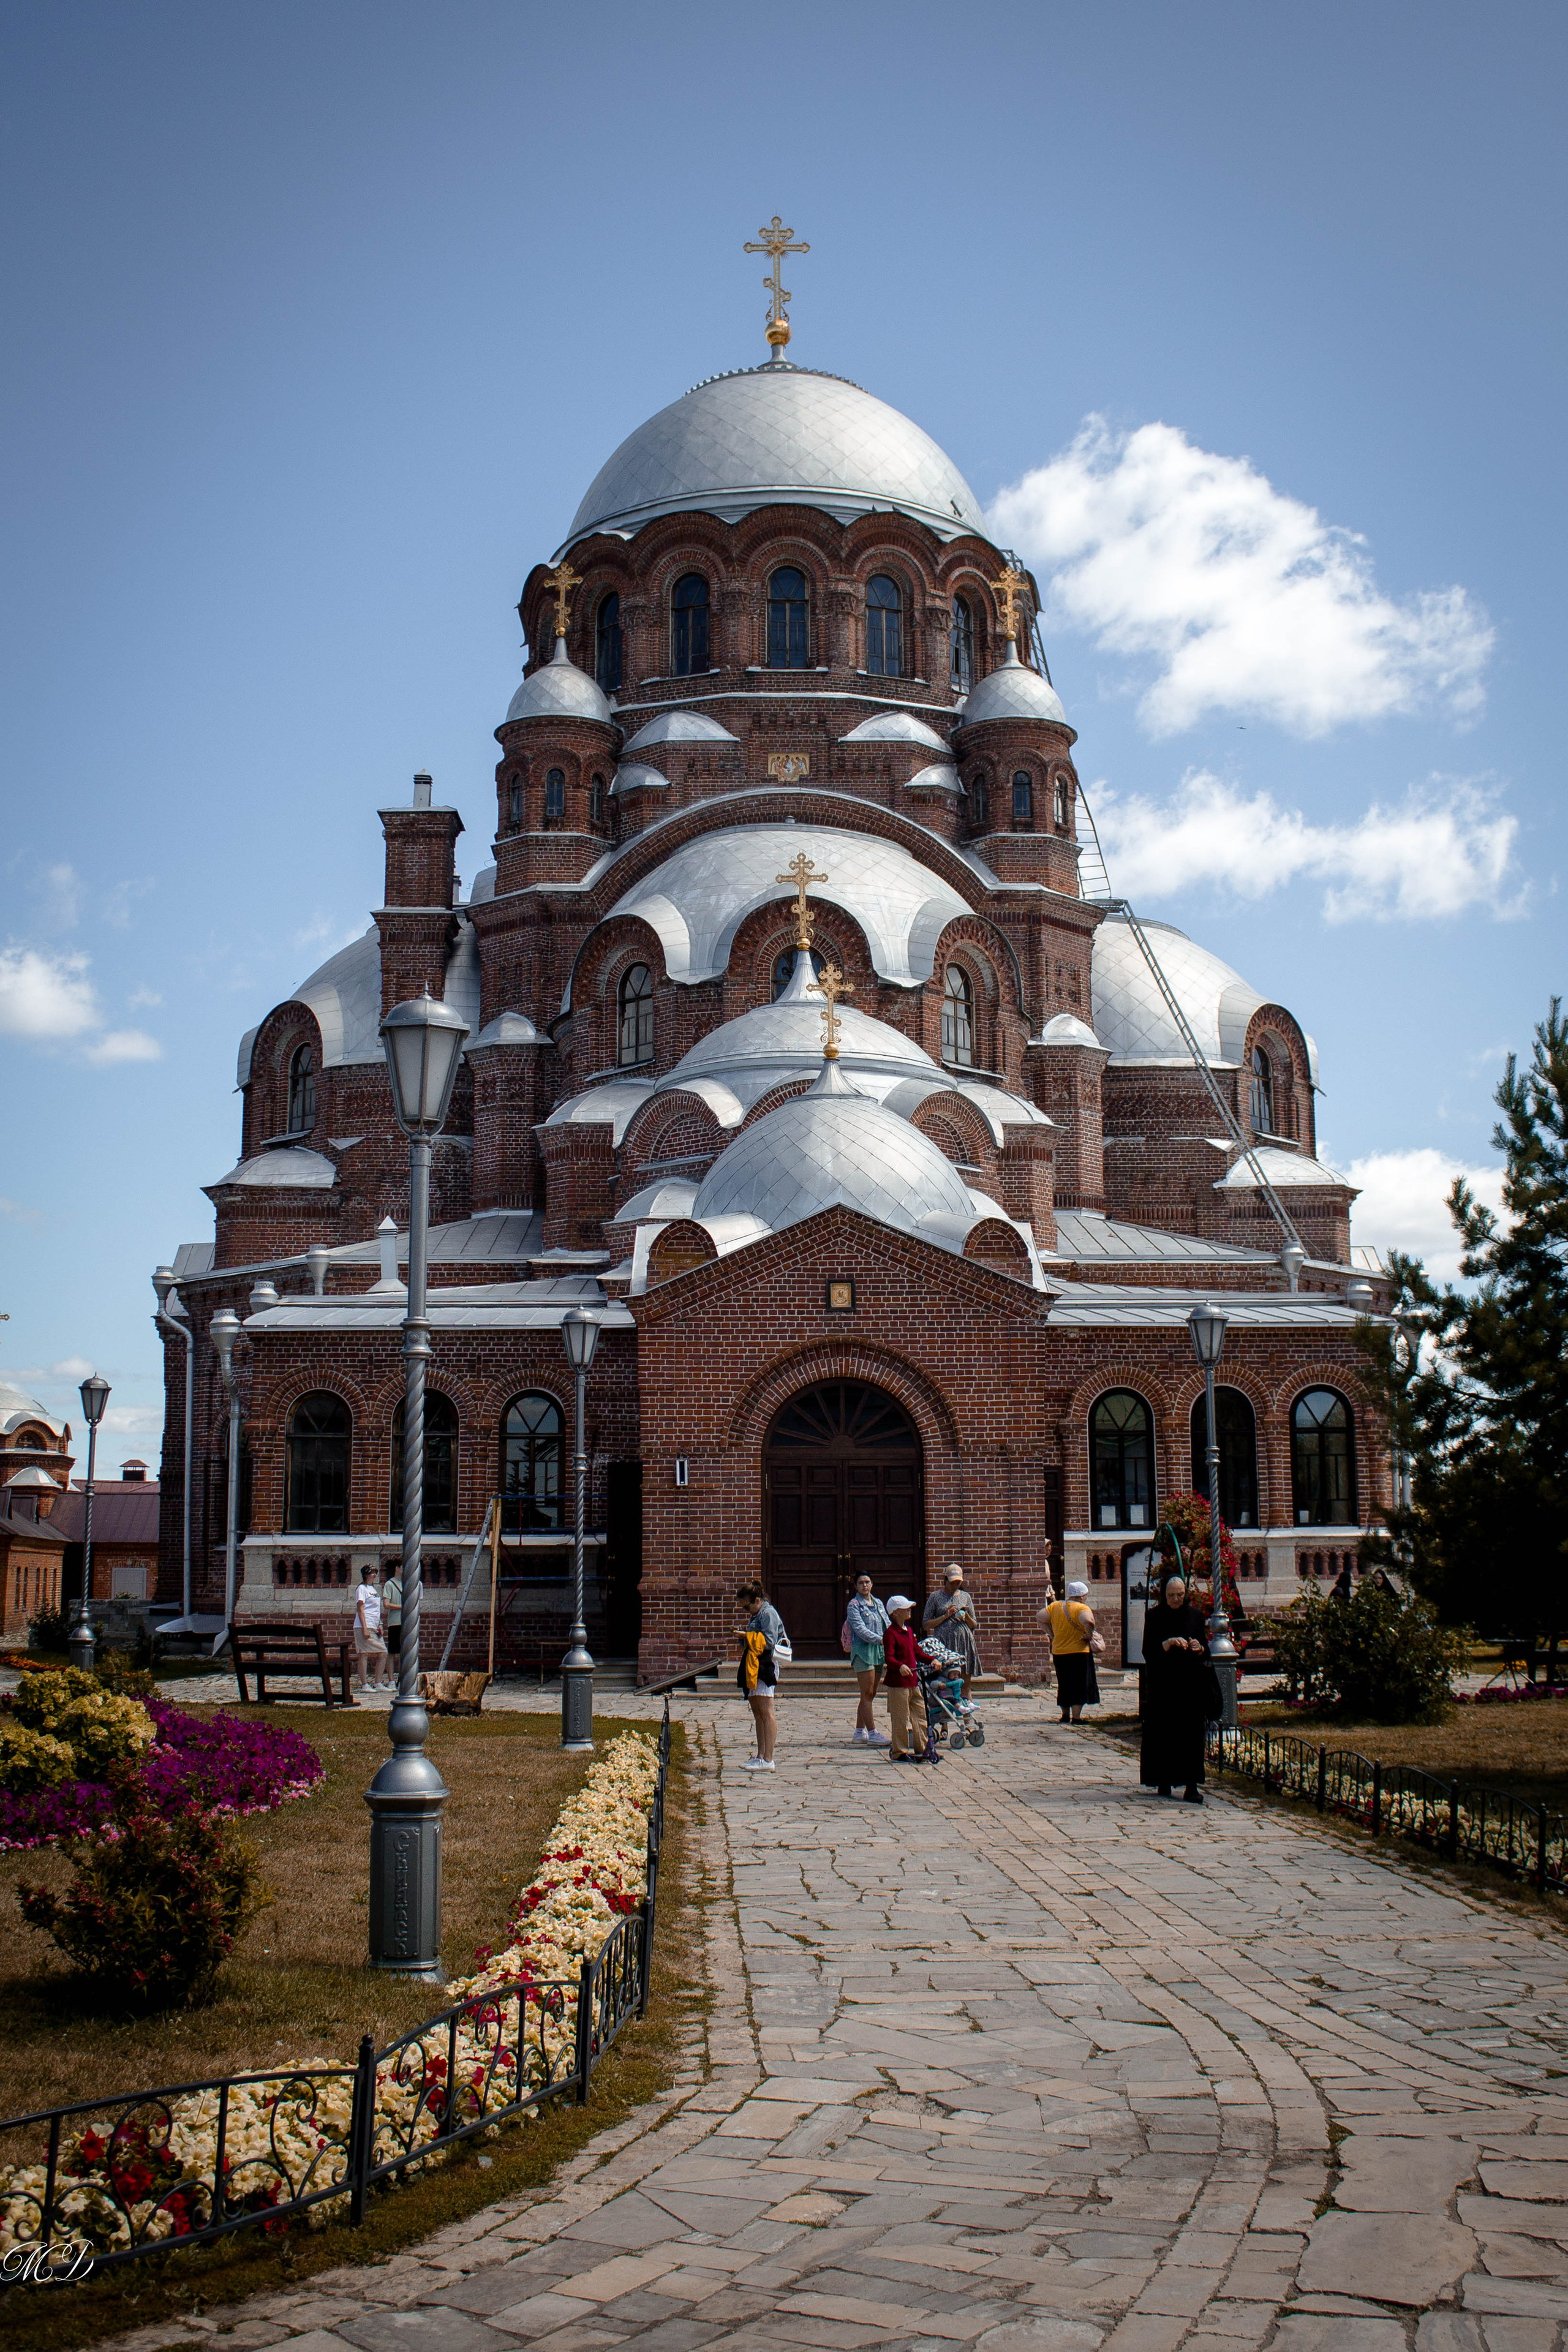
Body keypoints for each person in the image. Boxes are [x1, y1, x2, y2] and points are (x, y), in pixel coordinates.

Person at [1139, 1570, 1215, 1803]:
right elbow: (1147, 1651)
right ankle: (1163, 1779)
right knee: (1164, 1734)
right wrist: (1169, 1643)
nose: (1176, 1600)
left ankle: (1191, 1785)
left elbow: (1205, 1648)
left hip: (1189, 1685)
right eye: (1172, 1595)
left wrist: (1199, 1647)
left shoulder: (1194, 1616)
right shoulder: (1154, 1617)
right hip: (1164, 1686)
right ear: (1164, 1595)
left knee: (1191, 1735)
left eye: (1180, 1595)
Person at [736, 1580, 786, 1771]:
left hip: (766, 1665)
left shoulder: (768, 1614)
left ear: (757, 1600)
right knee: (758, 1712)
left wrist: (747, 1637)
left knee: (767, 1712)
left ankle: (768, 1758)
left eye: (747, 1606)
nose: (746, 1610)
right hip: (753, 1663)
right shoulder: (756, 1614)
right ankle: (760, 1755)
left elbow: (769, 1642)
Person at [883, 1596, 936, 1764]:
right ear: (896, 1613)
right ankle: (899, 1751)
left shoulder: (909, 1631)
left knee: (920, 1714)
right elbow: (889, 1658)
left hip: (913, 1681)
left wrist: (932, 1660)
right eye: (906, 1608)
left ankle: (922, 1746)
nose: (909, 1610)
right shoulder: (891, 1634)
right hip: (898, 1683)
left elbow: (917, 1652)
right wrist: (900, 1666)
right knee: (901, 1718)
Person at [1043, 1579, 1100, 1723]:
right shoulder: (1082, 1608)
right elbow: (1089, 1621)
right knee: (1079, 1684)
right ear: (1082, 1596)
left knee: (1064, 1683)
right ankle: (1076, 1717)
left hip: (1059, 1651)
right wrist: (1088, 1634)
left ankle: (1065, 1715)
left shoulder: (1056, 1606)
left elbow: (1040, 1617)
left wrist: (1051, 1634)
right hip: (1079, 1651)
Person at [922, 1564, 981, 1697]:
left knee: (965, 1682)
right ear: (945, 1580)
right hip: (944, 1644)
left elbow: (974, 1624)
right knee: (945, 1682)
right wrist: (945, 1616)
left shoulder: (965, 1597)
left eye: (958, 1583)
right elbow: (926, 1624)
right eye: (953, 1582)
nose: (955, 1585)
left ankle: (967, 1715)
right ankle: (944, 1715)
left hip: (964, 1642)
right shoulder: (935, 1597)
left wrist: (965, 1615)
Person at [845, 1575, 891, 1746]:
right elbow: (860, 1629)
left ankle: (859, 1731)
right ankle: (872, 1732)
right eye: (861, 1583)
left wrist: (892, 1637)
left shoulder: (878, 1603)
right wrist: (881, 1639)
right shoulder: (854, 1605)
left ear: (872, 1584)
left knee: (871, 1693)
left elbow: (886, 1622)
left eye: (867, 1582)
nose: (865, 1586)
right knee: (866, 1693)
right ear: (856, 1586)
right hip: (863, 1651)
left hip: (878, 1651)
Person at [352, 1566, 391, 1693]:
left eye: (375, 1573)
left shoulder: (373, 1589)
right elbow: (361, 1609)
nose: (374, 1575)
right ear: (365, 1575)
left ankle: (378, 1682)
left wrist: (380, 1624)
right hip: (364, 1625)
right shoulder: (362, 1589)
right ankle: (364, 1684)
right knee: (364, 1654)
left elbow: (376, 1609)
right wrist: (364, 1628)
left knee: (383, 1652)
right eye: (372, 1573)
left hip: (374, 1625)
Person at [382, 1567, 402, 1668]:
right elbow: (386, 1605)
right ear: (397, 1568)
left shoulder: (408, 1583)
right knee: (392, 1651)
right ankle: (391, 1680)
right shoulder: (390, 1584)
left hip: (406, 1622)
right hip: (395, 1622)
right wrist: (403, 1607)